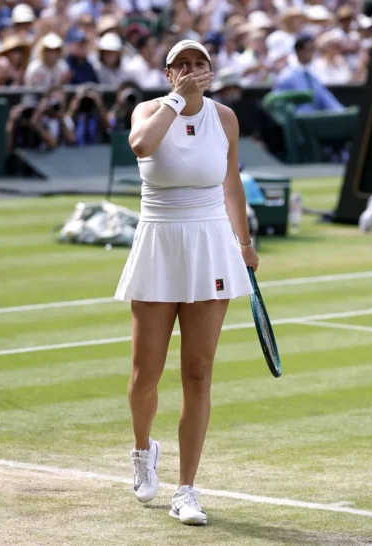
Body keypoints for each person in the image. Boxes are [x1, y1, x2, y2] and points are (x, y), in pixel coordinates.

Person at [114, 39, 257, 526]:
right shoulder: (148, 110)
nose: (193, 71)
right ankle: (141, 450)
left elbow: (231, 182)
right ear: (168, 72)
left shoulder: (226, 118)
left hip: (211, 244)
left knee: (198, 372)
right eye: (183, 65)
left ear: (212, 73)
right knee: (144, 374)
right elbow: (142, 146)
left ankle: (187, 490)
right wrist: (177, 99)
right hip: (158, 241)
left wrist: (244, 242)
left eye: (201, 65)